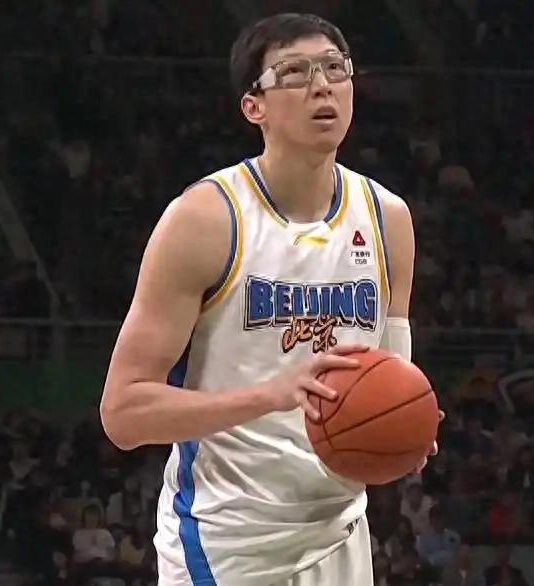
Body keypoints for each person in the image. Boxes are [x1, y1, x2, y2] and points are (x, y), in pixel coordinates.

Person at [101, 12, 439, 586]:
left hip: (338, 535)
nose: (321, 85)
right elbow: (123, 413)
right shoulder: (205, 219)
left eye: (335, 68)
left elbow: (391, 377)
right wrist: (270, 395)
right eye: (295, 73)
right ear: (253, 106)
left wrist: (407, 424)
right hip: (223, 542)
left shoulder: (389, 219)